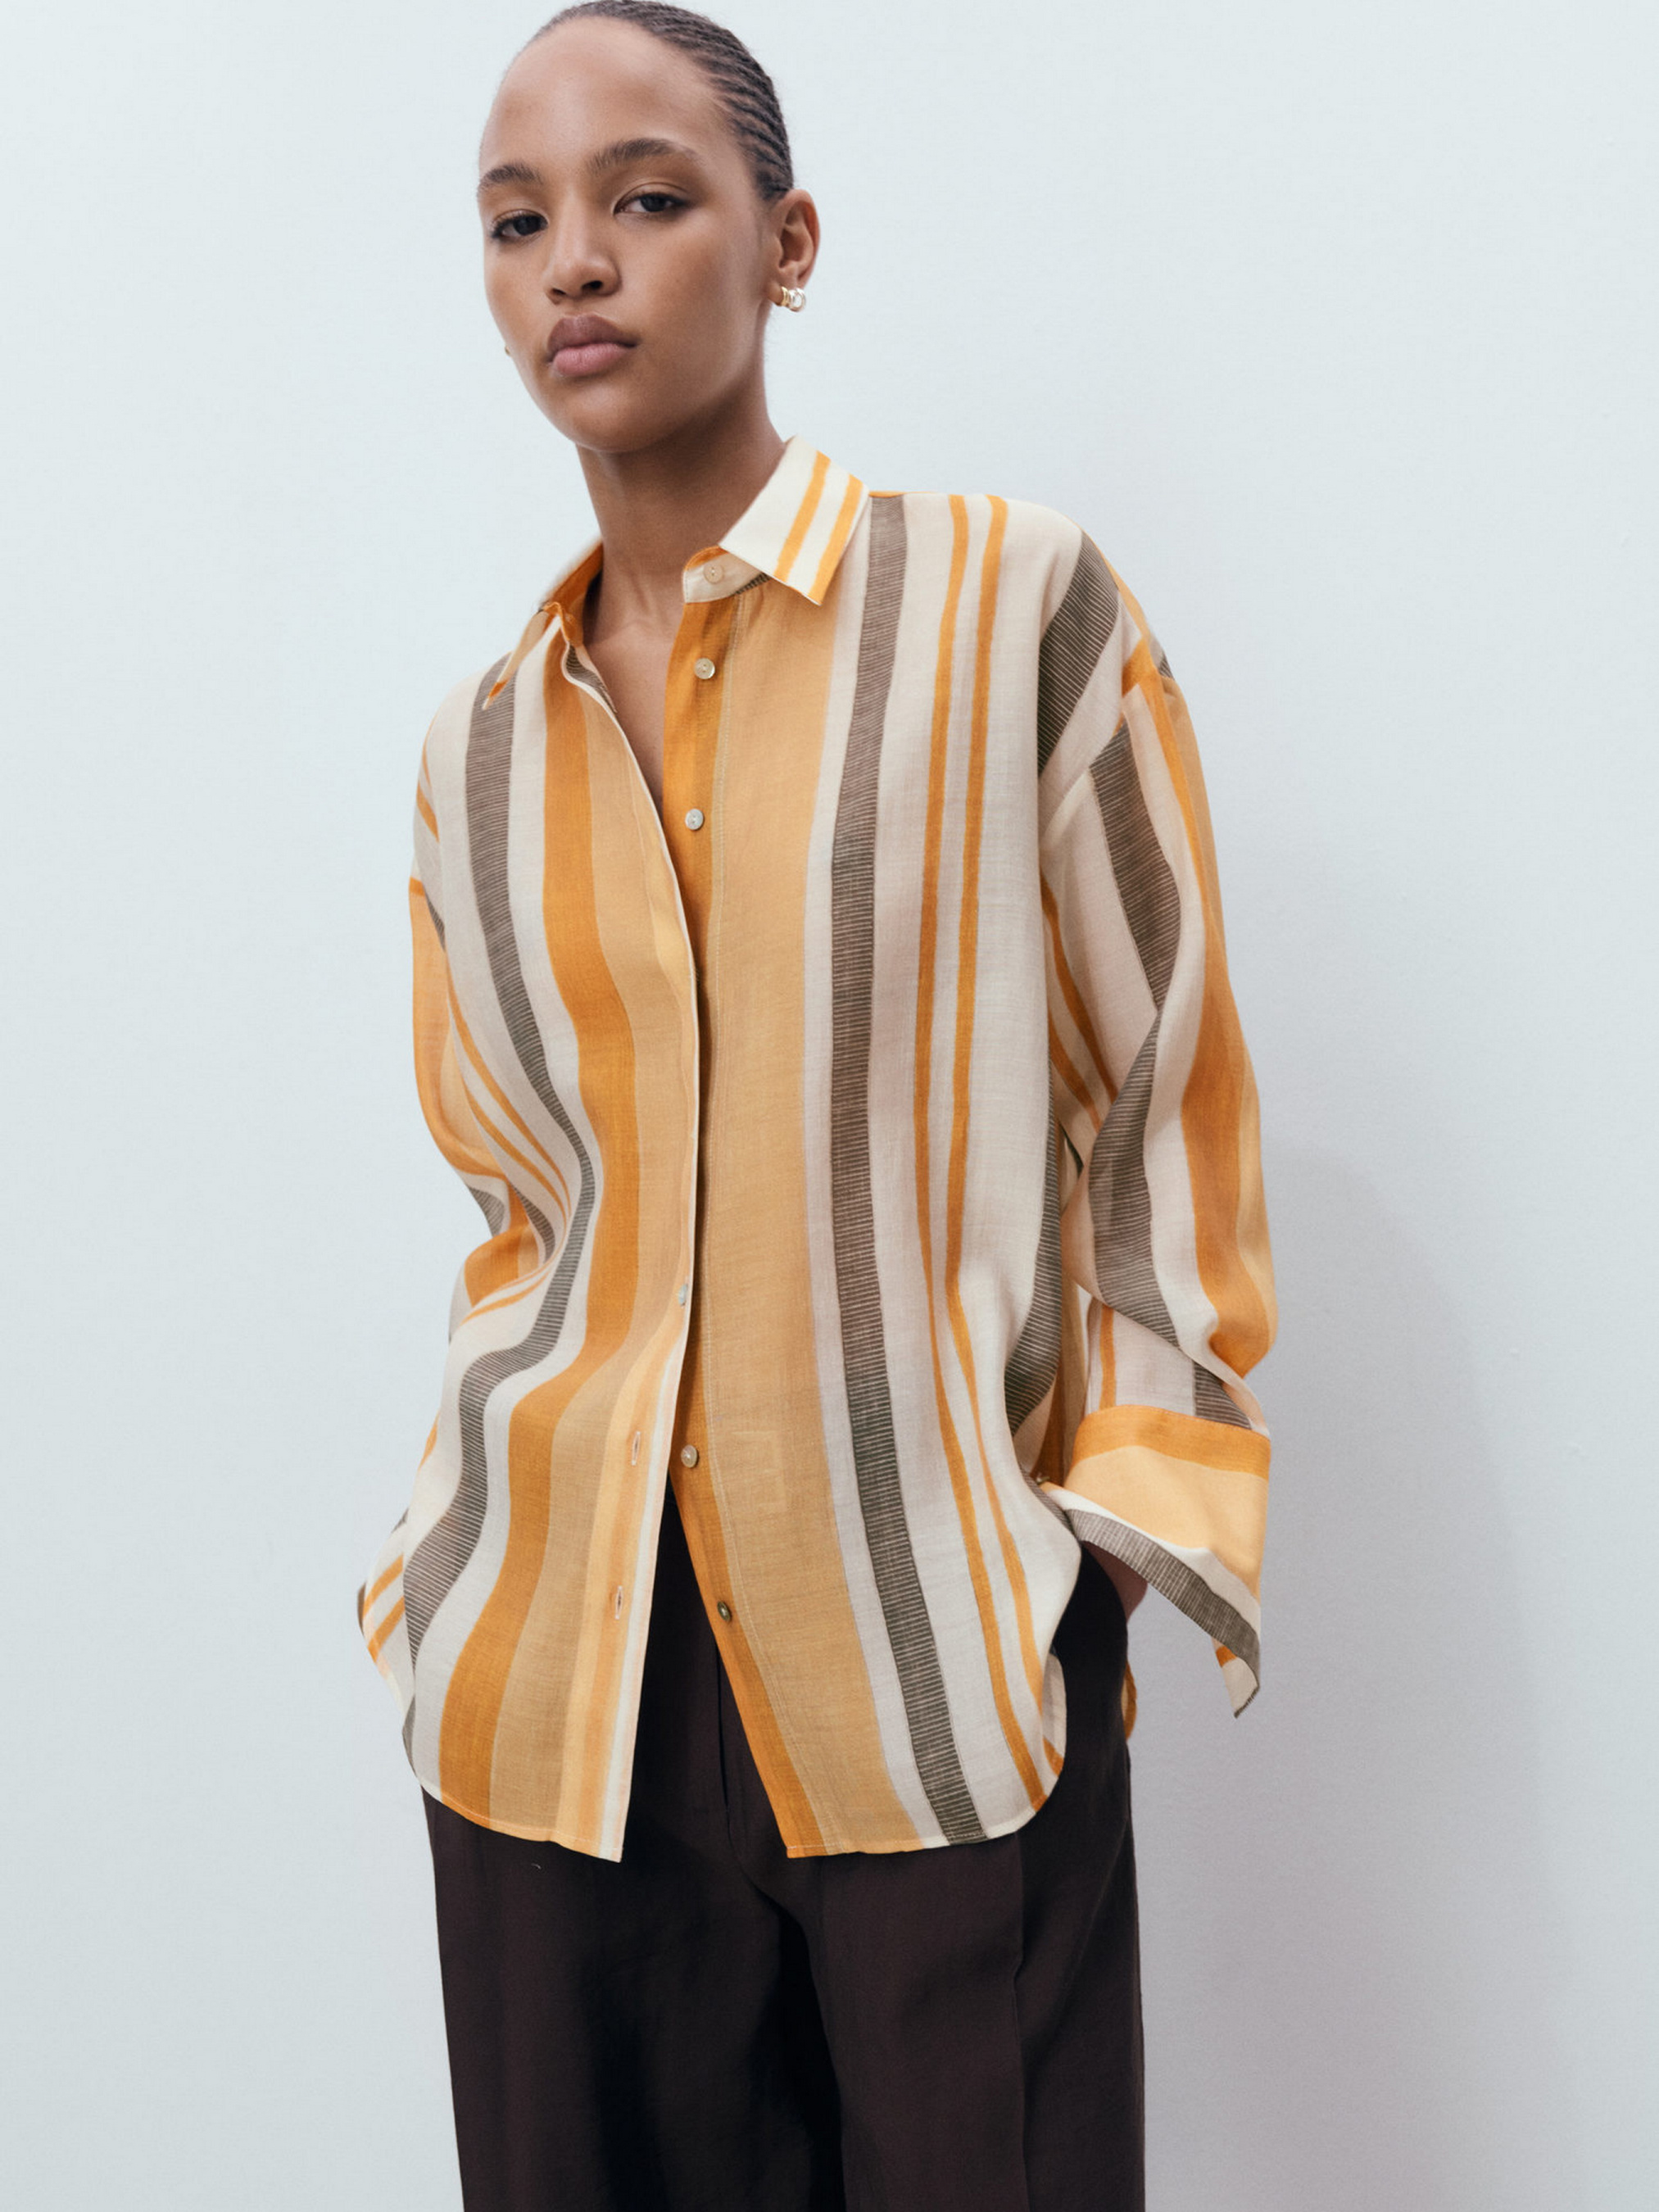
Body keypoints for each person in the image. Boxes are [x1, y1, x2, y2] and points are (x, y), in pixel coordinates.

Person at [354, 5, 1277, 2206]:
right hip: (558, 1698)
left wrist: (1105, 1553)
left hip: (932, 1655)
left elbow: (1161, 1089)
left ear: (786, 243)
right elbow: (518, 1202)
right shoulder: (478, 753)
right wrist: (435, 1584)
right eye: (516, 223)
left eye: (646, 197)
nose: (576, 263)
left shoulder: (1008, 608)